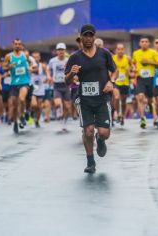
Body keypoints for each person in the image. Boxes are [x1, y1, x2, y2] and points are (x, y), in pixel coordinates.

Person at [65, 24, 116, 173]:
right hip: (84, 100)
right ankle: (90, 162)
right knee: (88, 131)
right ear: (80, 37)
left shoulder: (104, 53)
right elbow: (67, 81)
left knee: (104, 133)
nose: (88, 38)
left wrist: (111, 82)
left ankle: (100, 140)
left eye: (90, 35)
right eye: (85, 35)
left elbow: (115, 70)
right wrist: (71, 74)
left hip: (102, 99)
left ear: (94, 37)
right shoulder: (75, 57)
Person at [4, 39, 32, 133]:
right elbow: (3, 68)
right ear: (13, 45)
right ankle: (15, 122)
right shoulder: (9, 56)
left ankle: (22, 115)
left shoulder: (25, 54)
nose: (17, 45)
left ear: (21, 45)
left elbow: (31, 63)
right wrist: (9, 67)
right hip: (13, 83)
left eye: (19, 44)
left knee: (22, 99)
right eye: (15, 44)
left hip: (24, 82)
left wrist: (30, 68)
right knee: (15, 105)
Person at [132, 36, 158, 129]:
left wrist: (148, 62)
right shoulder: (136, 53)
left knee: (151, 100)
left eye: (146, 41)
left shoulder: (153, 52)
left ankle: (155, 117)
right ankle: (142, 118)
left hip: (151, 78)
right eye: (142, 41)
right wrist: (134, 69)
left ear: (149, 43)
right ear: (139, 43)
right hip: (140, 78)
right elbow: (133, 63)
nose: (144, 43)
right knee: (140, 97)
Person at [48, 43, 72, 131]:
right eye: (59, 50)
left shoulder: (69, 60)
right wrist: (49, 76)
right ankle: (59, 110)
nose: (61, 51)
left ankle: (64, 122)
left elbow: (72, 70)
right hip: (57, 85)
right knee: (58, 103)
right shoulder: (52, 61)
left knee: (68, 106)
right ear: (56, 51)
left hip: (66, 85)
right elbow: (48, 69)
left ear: (65, 51)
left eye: (62, 49)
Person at [112, 43, 133, 126]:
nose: (120, 51)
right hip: (116, 82)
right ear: (116, 50)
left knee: (124, 101)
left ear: (124, 50)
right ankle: (117, 113)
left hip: (125, 82)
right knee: (116, 97)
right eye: (118, 49)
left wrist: (130, 71)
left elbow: (133, 68)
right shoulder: (112, 58)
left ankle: (123, 116)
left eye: (122, 49)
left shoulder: (128, 58)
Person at [31, 51, 50, 128]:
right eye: (34, 57)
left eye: (37, 57)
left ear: (39, 58)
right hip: (32, 89)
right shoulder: (29, 66)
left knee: (39, 107)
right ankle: (31, 112)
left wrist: (48, 77)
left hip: (40, 89)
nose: (35, 59)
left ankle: (36, 121)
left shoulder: (43, 66)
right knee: (34, 104)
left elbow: (48, 73)